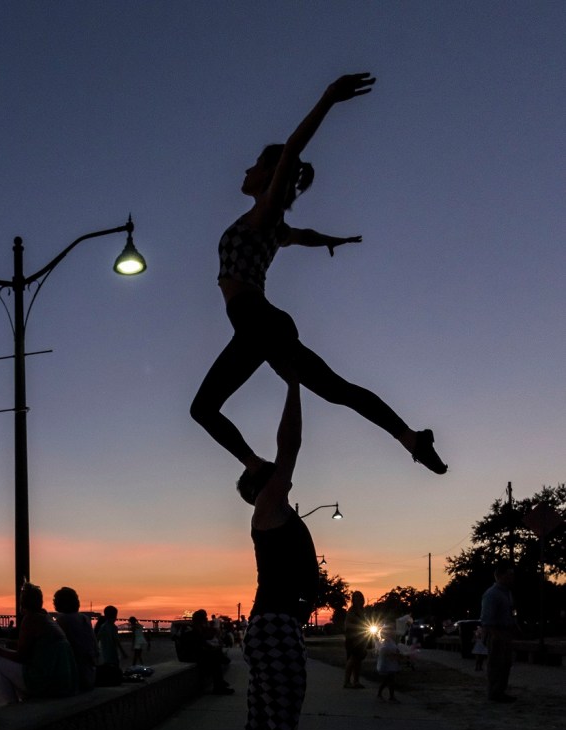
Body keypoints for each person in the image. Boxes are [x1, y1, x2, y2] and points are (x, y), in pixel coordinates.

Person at [190, 71, 447, 478]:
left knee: (203, 409)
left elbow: (291, 152)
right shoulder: (271, 224)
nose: (247, 168)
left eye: (257, 164)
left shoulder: (264, 213)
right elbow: (301, 235)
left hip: (257, 322)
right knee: (335, 390)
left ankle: (257, 467)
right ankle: (411, 438)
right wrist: (331, 239)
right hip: (265, 325)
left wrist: (327, 98)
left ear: (271, 175)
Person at [228, 372, 341, 730]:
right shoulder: (268, 507)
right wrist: (294, 382)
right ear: (261, 487)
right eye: (269, 472)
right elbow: (289, 444)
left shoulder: (277, 512)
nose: (278, 470)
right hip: (275, 629)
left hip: (272, 627)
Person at [0, 583, 78, 702]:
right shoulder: (46, 618)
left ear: (22, 602)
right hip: (64, 683)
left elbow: (21, 656)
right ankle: (24, 701)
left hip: (46, 684)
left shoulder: (30, 619)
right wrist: (9, 644)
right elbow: (34, 647)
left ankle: (10, 706)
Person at [480, 561, 518, 703]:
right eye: (509, 575)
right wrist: (496, 635)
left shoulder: (506, 593)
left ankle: (499, 691)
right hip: (496, 632)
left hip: (505, 632)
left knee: (505, 664)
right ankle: (494, 692)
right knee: (496, 664)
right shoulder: (492, 594)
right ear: (499, 576)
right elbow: (487, 619)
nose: (512, 578)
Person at [175, 609, 234, 695]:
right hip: (187, 655)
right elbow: (199, 643)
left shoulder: (196, 628)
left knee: (214, 656)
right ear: (201, 620)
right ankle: (219, 684)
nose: (206, 620)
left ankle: (219, 683)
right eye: (205, 618)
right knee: (214, 659)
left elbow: (202, 641)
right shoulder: (190, 629)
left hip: (192, 652)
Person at [52, 586, 97, 691]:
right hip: (89, 675)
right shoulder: (84, 619)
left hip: (74, 679)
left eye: (55, 601)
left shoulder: (62, 620)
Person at [96, 605, 127, 686]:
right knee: (115, 667)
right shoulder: (113, 627)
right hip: (113, 652)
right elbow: (116, 641)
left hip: (104, 652)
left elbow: (97, 638)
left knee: (107, 667)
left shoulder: (103, 626)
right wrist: (123, 652)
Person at [344, 590, 368, 689]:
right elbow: (347, 625)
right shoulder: (351, 611)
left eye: (359, 597)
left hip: (361, 638)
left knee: (358, 660)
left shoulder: (363, 610)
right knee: (352, 659)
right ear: (353, 599)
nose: (358, 598)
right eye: (356, 597)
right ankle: (346, 682)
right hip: (352, 638)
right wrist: (359, 627)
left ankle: (356, 681)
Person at [376, 624, 401, 702]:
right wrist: (393, 654)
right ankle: (387, 695)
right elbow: (383, 651)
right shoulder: (382, 642)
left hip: (392, 663)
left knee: (390, 680)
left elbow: (395, 649)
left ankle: (389, 695)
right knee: (387, 680)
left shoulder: (392, 641)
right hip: (386, 663)